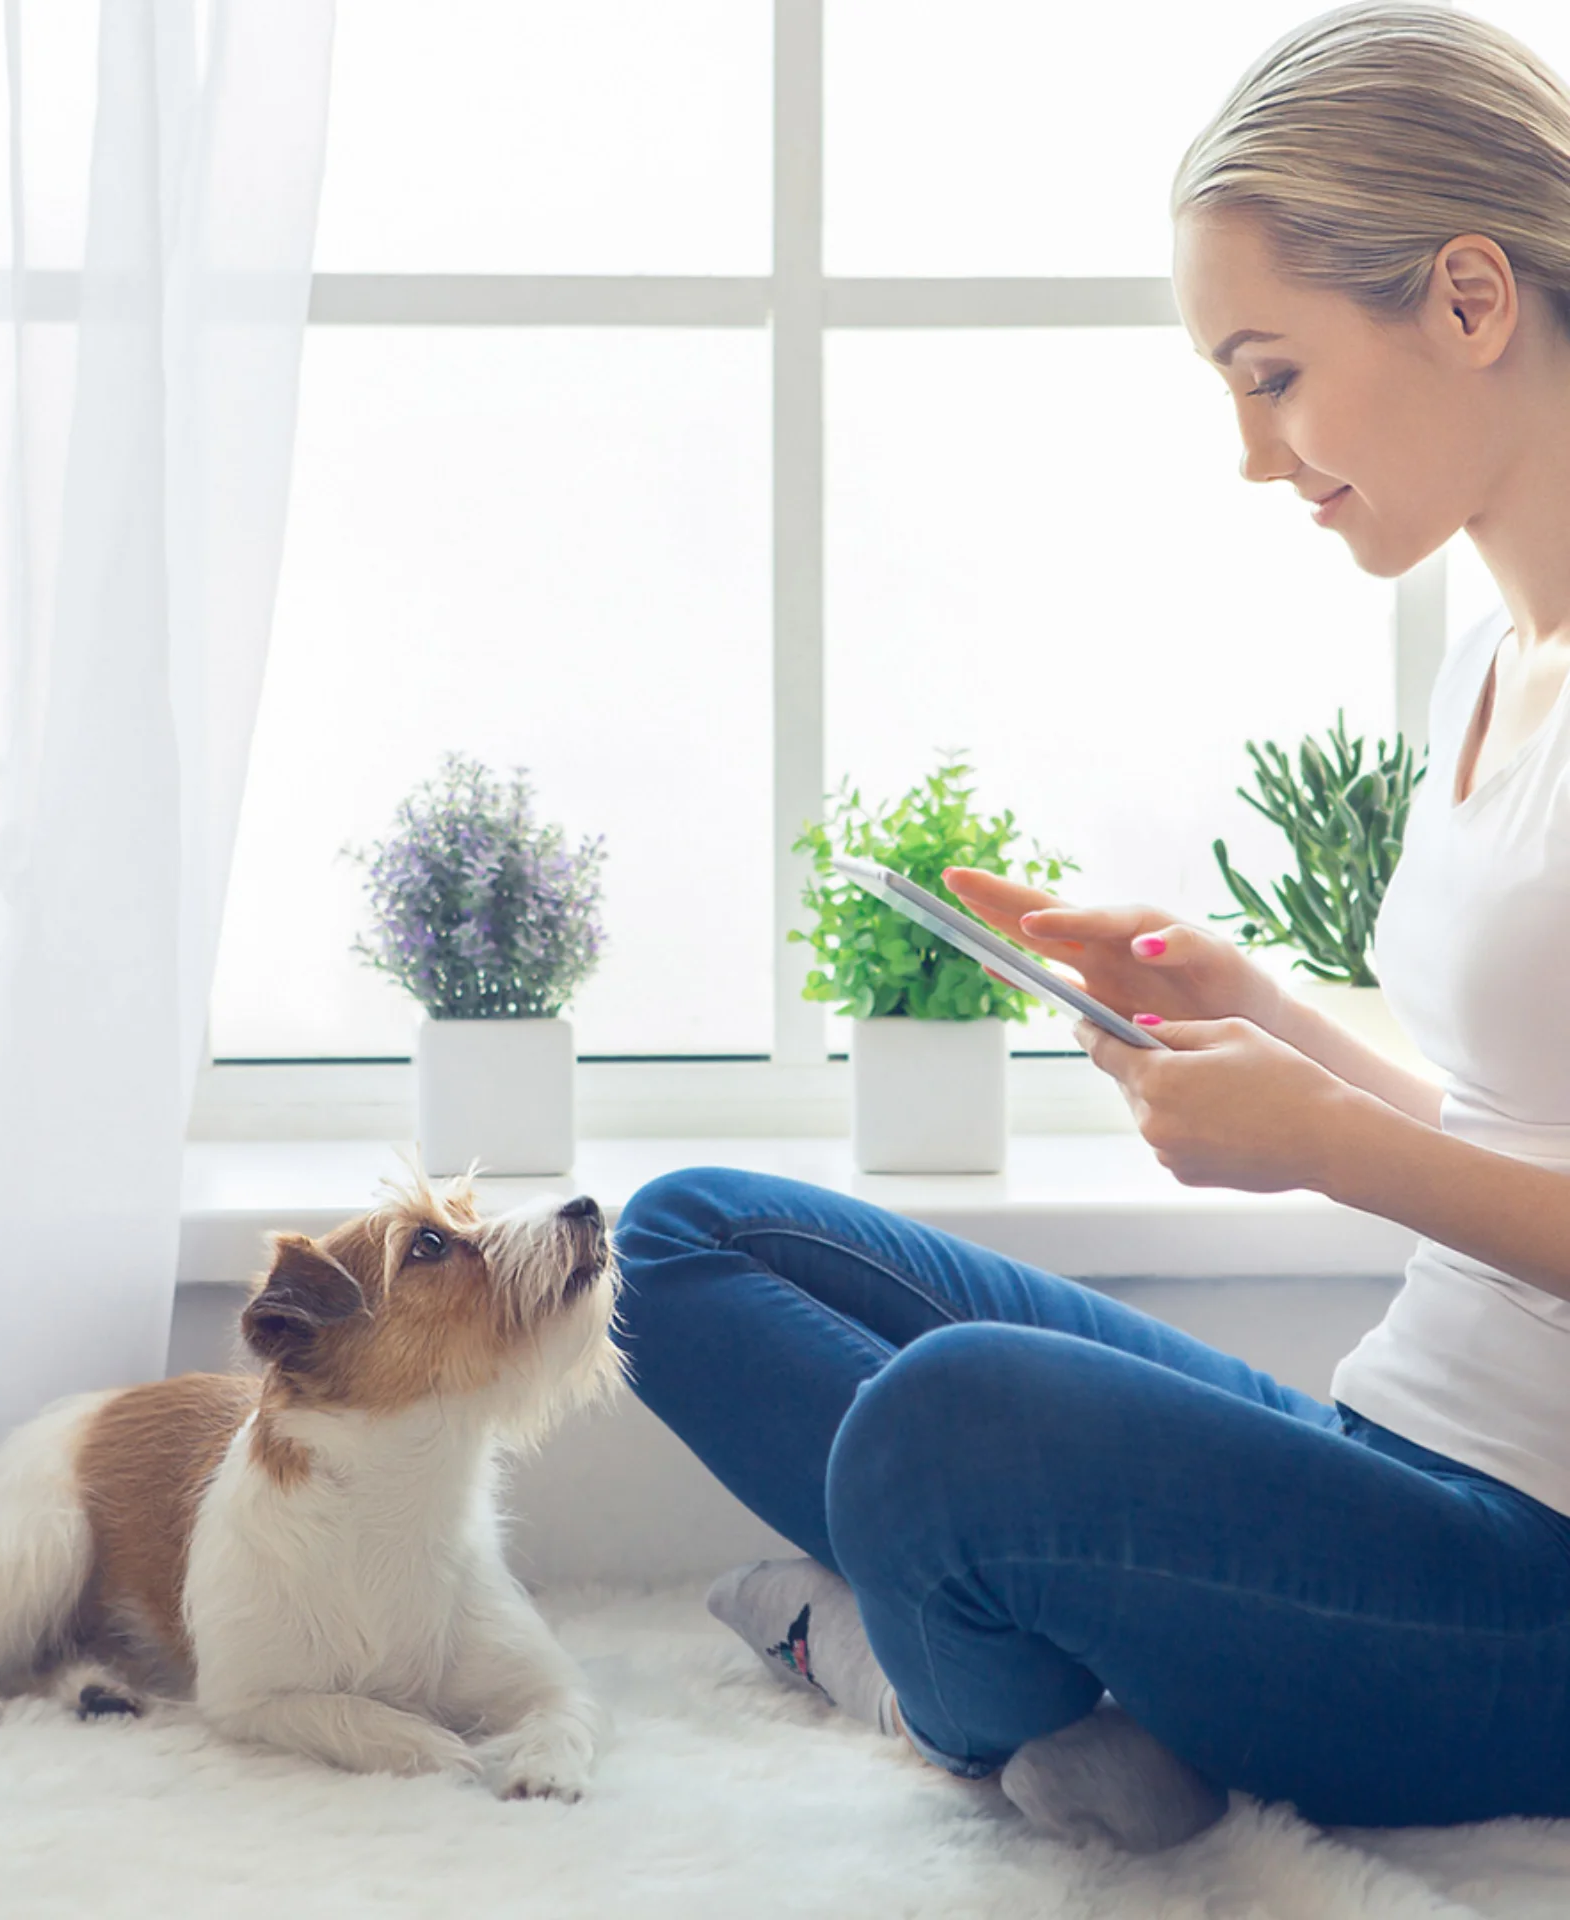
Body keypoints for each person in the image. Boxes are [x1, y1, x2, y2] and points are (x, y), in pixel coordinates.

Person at [611, 2, 1570, 1850]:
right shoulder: (1486, 667)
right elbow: (1519, 1123)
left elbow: (1424, 1166)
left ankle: (940, 1683)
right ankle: (1036, 1667)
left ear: (1468, 300)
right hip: (1403, 1451)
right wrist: (1255, 1015)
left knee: (950, 1426)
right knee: (685, 1245)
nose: (1249, 449)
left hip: (1532, 1585)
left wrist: (1333, 1152)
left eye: (1271, 371)